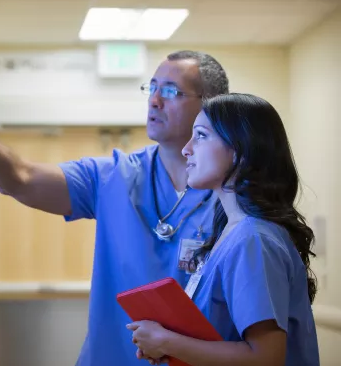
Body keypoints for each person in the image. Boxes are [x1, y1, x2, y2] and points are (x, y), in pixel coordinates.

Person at [0, 49, 230, 365]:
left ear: (211, 106)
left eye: (170, 92)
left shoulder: (233, 195)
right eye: (151, 88)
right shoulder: (113, 175)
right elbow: (18, 178)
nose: (154, 100)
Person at [127, 93, 319, 366]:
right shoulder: (230, 234)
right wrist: (171, 346)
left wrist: (166, 341)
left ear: (241, 150)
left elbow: (265, 358)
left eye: (201, 136)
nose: (186, 149)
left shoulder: (253, 240)